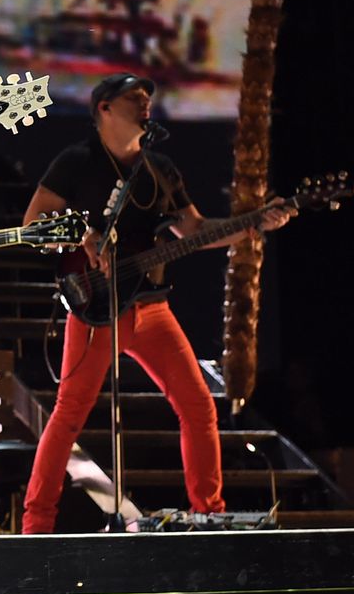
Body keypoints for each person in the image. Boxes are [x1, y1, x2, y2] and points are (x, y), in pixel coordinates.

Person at [20, 72, 295, 534]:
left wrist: (255, 223)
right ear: (104, 107)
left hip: (151, 307)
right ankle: (36, 525)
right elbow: (33, 223)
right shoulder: (77, 161)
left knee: (198, 405)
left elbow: (193, 230)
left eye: (149, 96)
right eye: (134, 97)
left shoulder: (160, 168)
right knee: (69, 414)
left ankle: (209, 514)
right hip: (95, 309)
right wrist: (85, 236)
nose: (146, 103)